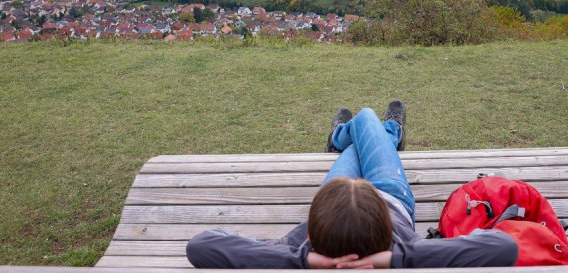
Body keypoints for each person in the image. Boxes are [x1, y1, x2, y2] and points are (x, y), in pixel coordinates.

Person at [186, 100, 518, 269]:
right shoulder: (404, 251)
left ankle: (342, 136)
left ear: (313, 235)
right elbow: (504, 248)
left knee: (358, 134)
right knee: (366, 117)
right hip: (390, 194)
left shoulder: (298, 246)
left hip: (346, 201)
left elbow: (200, 246)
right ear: (388, 230)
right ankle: (389, 133)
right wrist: (392, 258)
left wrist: (307, 261)